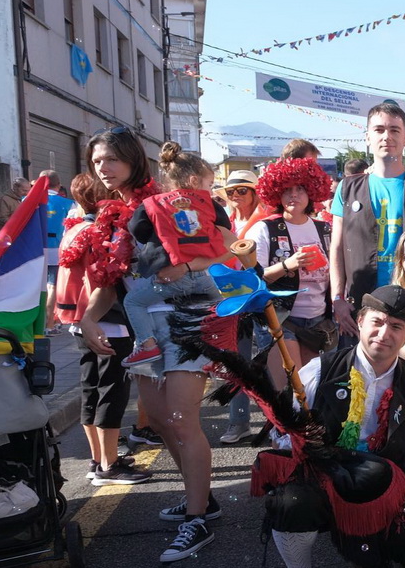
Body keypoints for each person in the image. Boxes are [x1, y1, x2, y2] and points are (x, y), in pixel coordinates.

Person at [247, 285, 405, 568]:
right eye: (377, 322)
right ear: (361, 321)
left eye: (396, 326)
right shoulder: (320, 370)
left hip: (380, 486)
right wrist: (299, 438)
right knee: (290, 501)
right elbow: (281, 433)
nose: (384, 333)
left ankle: (367, 562)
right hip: (321, 476)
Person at [79, 128, 224, 561]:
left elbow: (222, 242)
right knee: (159, 419)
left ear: (132, 159)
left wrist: (188, 267)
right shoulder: (108, 214)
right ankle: (202, 498)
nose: (103, 168)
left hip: (184, 318)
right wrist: (88, 317)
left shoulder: (166, 198)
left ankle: (196, 519)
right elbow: (111, 279)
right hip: (143, 327)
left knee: (181, 418)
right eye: (97, 161)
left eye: (111, 159)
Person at [56, 171, 149, 486]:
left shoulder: (74, 228)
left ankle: (98, 459)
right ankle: (109, 465)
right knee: (112, 391)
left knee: (91, 389)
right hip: (106, 320)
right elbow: (106, 280)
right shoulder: (101, 230)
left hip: (79, 319)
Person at [330, 102, 405, 336]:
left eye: (394, 130)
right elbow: (337, 248)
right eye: (379, 129)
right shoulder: (347, 188)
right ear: (367, 137)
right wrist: (337, 298)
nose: (387, 136)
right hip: (359, 308)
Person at [122, 144, 233, 368]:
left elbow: (137, 229)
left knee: (132, 302)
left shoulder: (152, 204)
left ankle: (147, 346)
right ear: (194, 181)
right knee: (222, 308)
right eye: (209, 185)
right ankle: (222, 345)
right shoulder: (210, 205)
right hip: (203, 276)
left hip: (172, 279)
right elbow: (226, 229)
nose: (210, 191)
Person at [248, 157, 335, 385]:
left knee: (311, 389)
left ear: (311, 193)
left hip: (318, 321)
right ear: (277, 193)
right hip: (281, 318)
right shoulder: (264, 229)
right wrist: (287, 265)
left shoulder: (325, 229)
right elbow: (253, 279)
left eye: (300, 189)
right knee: (291, 388)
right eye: (287, 190)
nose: (293, 195)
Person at [218, 168, 269, 445]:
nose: (235, 195)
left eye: (242, 190)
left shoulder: (266, 220)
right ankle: (239, 422)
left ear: (254, 193)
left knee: (268, 363)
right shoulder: (223, 221)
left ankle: (277, 421)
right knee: (236, 362)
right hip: (231, 299)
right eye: (231, 191)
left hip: (260, 298)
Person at [42, 170, 75, 333]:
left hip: (33, 251)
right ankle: (49, 324)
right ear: (59, 185)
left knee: (37, 288)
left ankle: (36, 326)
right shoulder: (69, 204)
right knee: (52, 286)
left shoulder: (26, 201)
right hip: (57, 249)